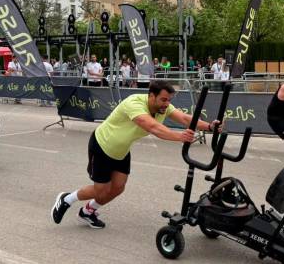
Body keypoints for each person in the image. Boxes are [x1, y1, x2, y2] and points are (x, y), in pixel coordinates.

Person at [51, 81, 222, 229]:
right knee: (100, 190)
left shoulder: (163, 107)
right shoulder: (134, 103)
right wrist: (180, 137)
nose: (166, 104)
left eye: (169, 100)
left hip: (121, 150)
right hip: (102, 146)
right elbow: (152, 127)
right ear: (151, 96)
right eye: (163, 99)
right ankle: (67, 199)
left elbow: (185, 119)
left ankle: (87, 212)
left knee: (118, 188)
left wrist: (210, 127)